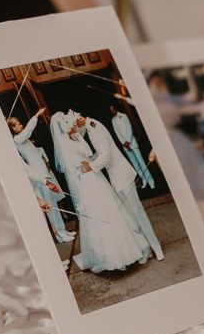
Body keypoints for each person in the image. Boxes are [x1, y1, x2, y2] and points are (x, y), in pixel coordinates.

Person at [50, 110, 149, 274]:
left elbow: (87, 153)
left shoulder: (72, 137)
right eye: (67, 123)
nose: (71, 125)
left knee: (111, 211)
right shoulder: (67, 143)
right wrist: (78, 136)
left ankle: (124, 252)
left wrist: (77, 135)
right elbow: (86, 155)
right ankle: (113, 258)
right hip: (88, 181)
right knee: (102, 214)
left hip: (93, 176)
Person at [77, 114, 163, 261]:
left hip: (122, 174)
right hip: (116, 177)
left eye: (76, 126)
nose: (78, 130)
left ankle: (156, 246)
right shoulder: (90, 127)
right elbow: (101, 151)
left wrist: (91, 166)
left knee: (138, 213)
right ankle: (146, 248)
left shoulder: (95, 128)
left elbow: (106, 156)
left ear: (79, 119)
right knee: (130, 215)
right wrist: (90, 159)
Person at [148, 74, 204, 200]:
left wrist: (190, 78)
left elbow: (190, 98)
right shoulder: (154, 98)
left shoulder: (166, 97)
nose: (160, 83)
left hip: (177, 139)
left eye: (160, 80)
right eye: (156, 81)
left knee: (196, 171)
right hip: (167, 141)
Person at [8, 110, 75, 243]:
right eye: (18, 124)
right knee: (50, 206)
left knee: (53, 202)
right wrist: (36, 115)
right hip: (38, 176)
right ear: (13, 128)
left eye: (20, 123)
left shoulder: (23, 139)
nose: (21, 126)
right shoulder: (17, 140)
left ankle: (63, 230)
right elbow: (28, 130)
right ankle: (59, 234)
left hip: (43, 173)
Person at [109, 102, 154, 189]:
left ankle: (150, 181)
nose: (113, 111)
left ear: (116, 108)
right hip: (125, 146)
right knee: (136, 165)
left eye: (113, 109)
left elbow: (129, 128)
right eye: (111, 111)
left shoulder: (124, 116)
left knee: (141, 162)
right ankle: (144, 180)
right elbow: (117, 133)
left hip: (132, 143)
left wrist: (128, 141)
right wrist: (124, 143)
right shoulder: (113, 121)